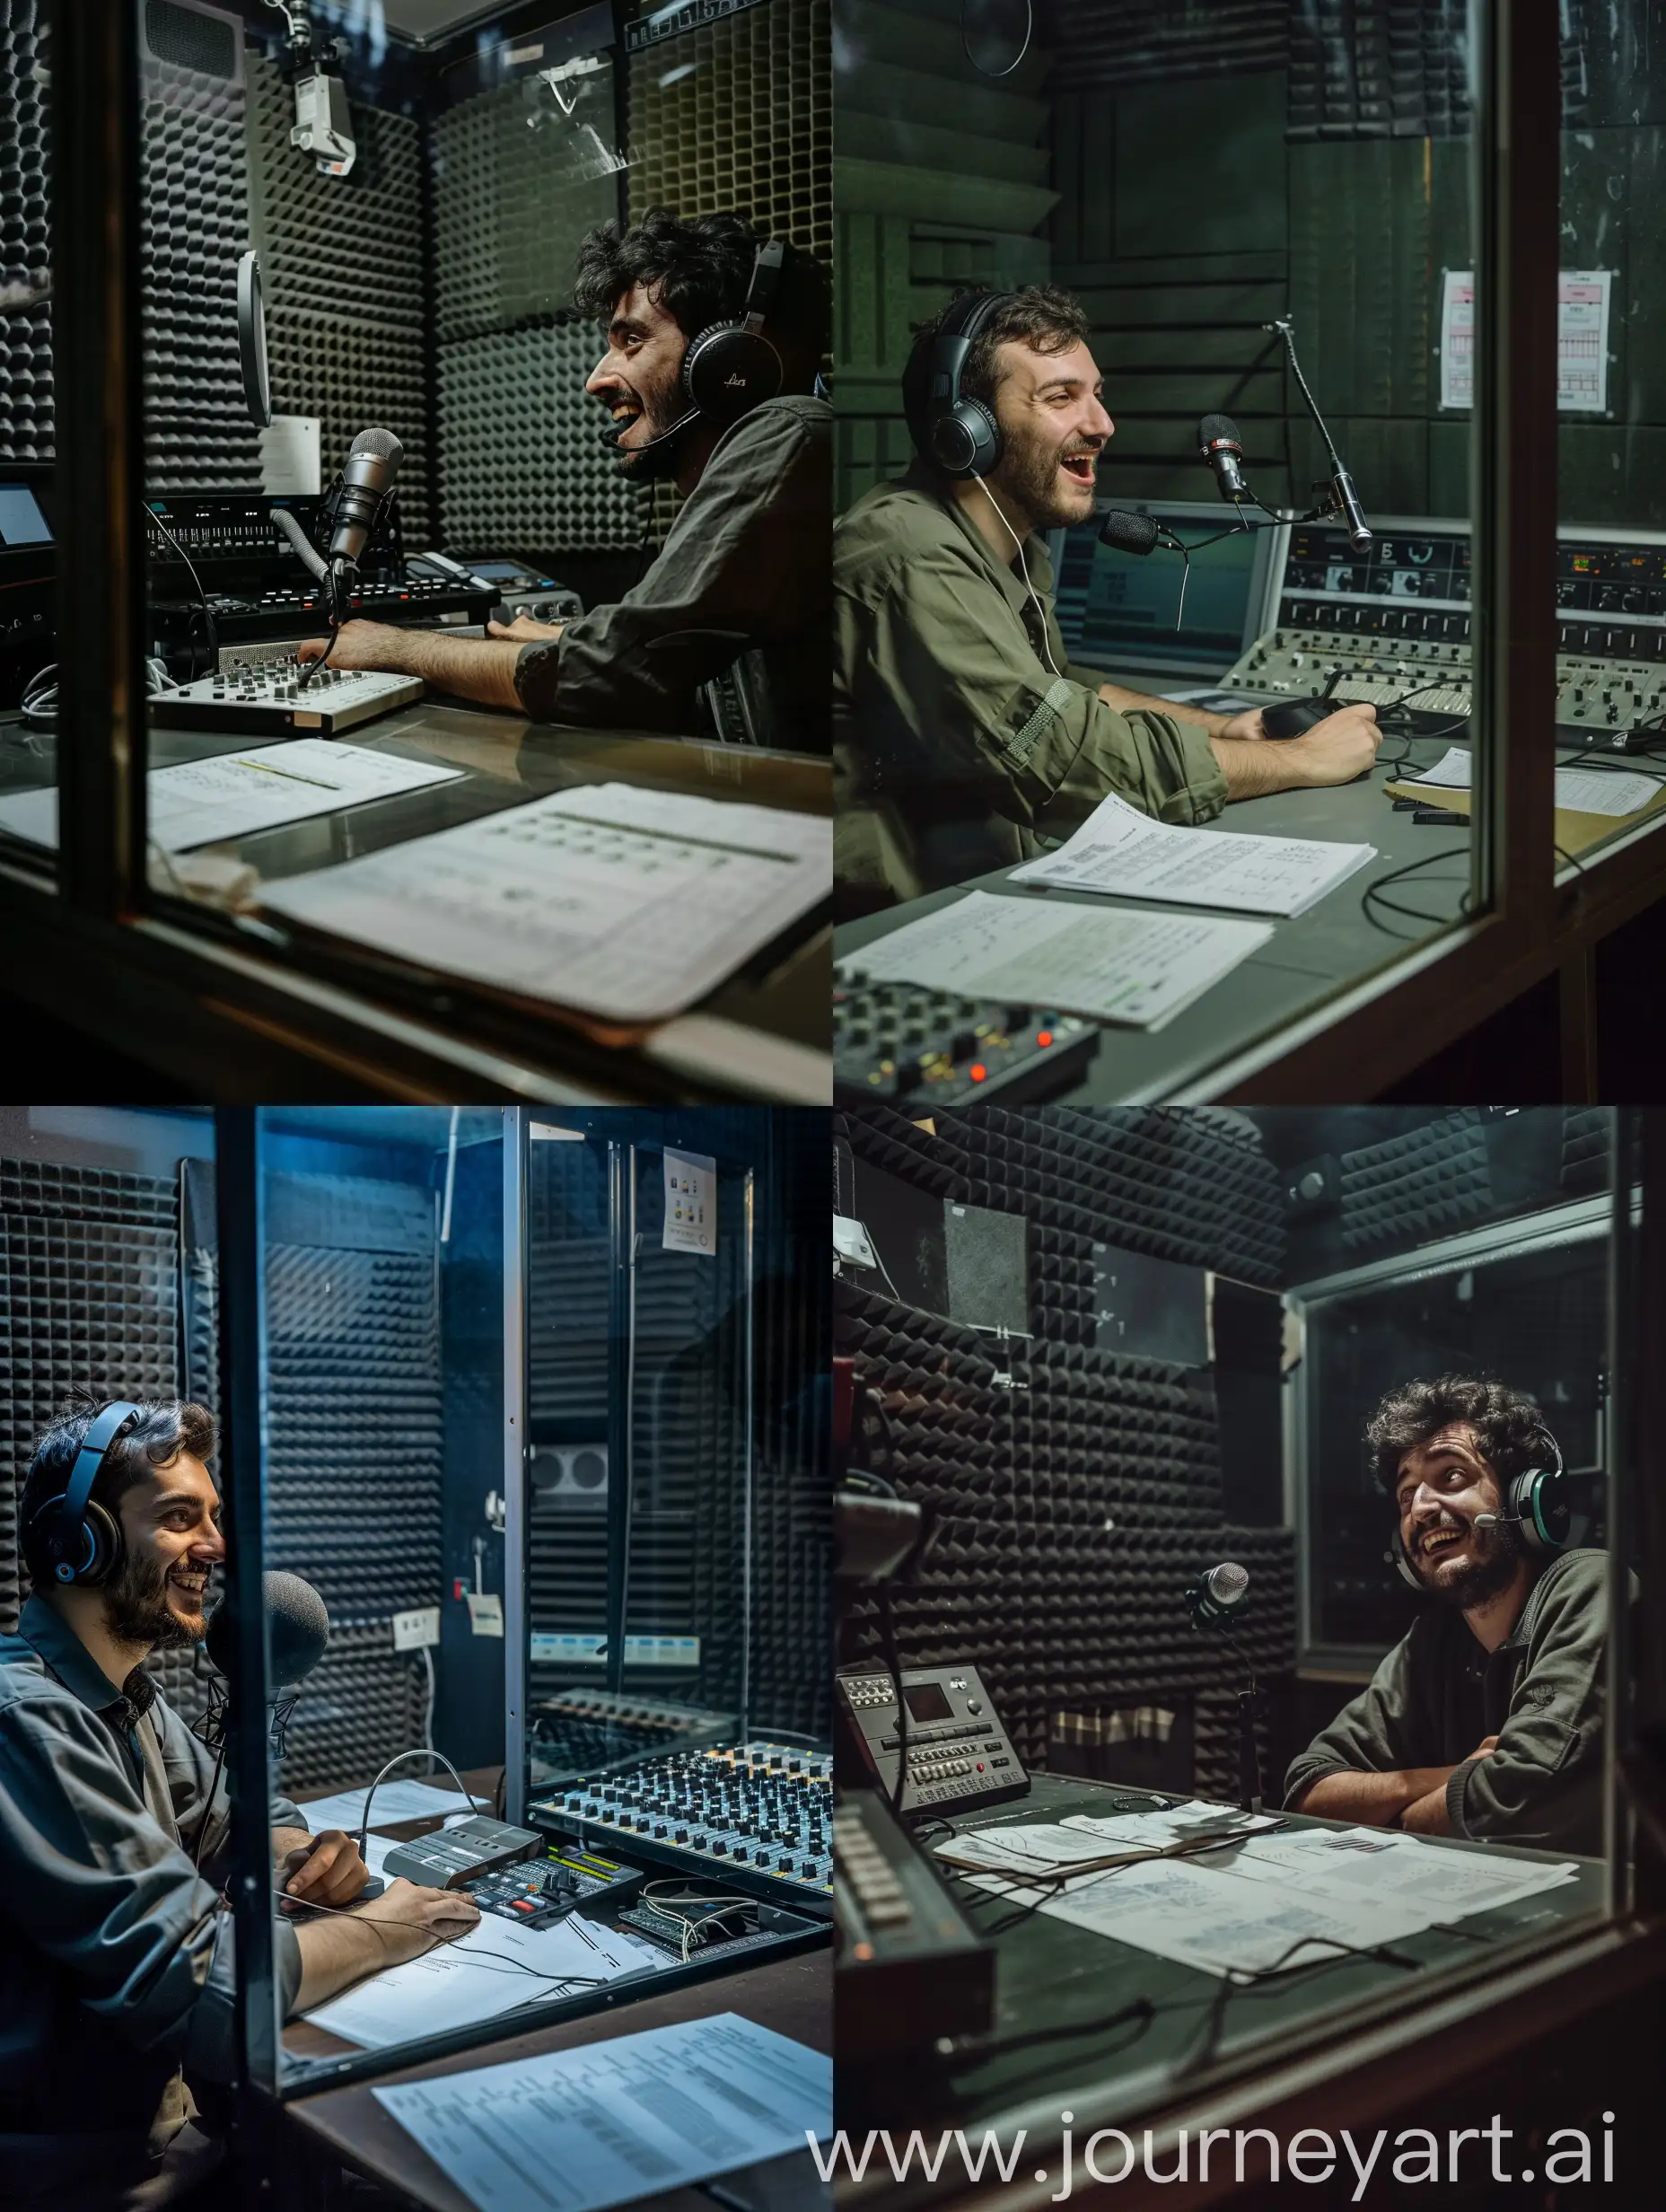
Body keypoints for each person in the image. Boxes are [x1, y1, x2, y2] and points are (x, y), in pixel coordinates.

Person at [0, 1397, 479, 2208]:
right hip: (88, 2184)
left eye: (215, 1517)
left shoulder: (126, 1700)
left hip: (176, 2143)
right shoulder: (29, 1721)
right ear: (79, 1542)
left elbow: (250, 1822)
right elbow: (208, 1996)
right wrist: (381, 1929)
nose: (217, 1547)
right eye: (182, 1517)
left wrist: (304, 1858)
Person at [832, 285, 1381, 905]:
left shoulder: (1008, 545)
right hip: (896, 923)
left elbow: (1067, 691)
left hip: (980, 887)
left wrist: (1236, 733)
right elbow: (1075, 760)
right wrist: (1299, 761)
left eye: (1097, 395)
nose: (1101, 425)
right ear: (966, 428)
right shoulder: (911, 551)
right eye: (1060, 398)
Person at [299, 209, 831, 750]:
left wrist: (399, 650)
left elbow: (605, 677)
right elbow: (692, 685)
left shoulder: (790, 432)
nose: (596, 379)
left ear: (726, 362)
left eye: (631, 341)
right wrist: (574, 643)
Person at [1284, 1376, 1607, 1855]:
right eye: (1406, 1494)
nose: (1421, 1508)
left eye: (1451, 1477)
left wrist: (1405, 1817)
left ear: (1524, 1498)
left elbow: (1524, 1794)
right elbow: (1307, 1792)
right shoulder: (1432, 1642)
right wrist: (1451, 1777)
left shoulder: (1589, 1587)